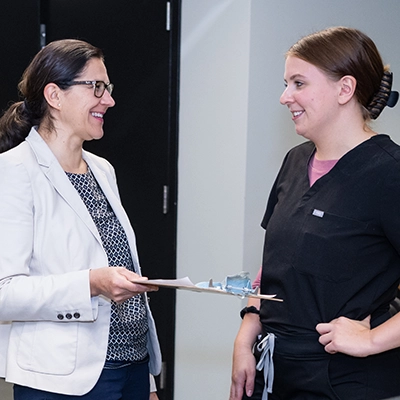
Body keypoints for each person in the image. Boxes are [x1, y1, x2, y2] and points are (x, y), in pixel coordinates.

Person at [230, 26, 400, 400]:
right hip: (272, 370)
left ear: (345, 89)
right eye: (286, 83)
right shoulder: (294, 161)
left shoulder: (389, 173)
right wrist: (247, 333)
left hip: (343, 380)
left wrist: (372, 339)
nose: (284, 96)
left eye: (298, 83)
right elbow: (275, 265)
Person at [0, 39, 162, 399]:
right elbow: (4, 292)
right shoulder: (14, 172)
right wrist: (91, 283)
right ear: (55, 96)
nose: (109, 100)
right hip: (63, 381)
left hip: (133, 367)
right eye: (97, 87)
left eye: (108, 88)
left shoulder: (102, 170)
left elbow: (122, 265)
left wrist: (147, 381)